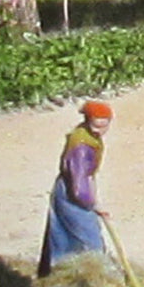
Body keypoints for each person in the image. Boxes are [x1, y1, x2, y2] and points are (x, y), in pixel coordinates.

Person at [37, 100, 112, 277]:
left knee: (64, 237)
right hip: (72, 195)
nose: (98, 131)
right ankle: (89, 278)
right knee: (90, 242)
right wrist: (93, 205)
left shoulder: (87, 137)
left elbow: (87, 176)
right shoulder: (82, 146)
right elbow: (79, 183)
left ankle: (58, 274)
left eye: (103, 126)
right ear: (87, 121)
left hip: (70, 189)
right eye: (95, 125)